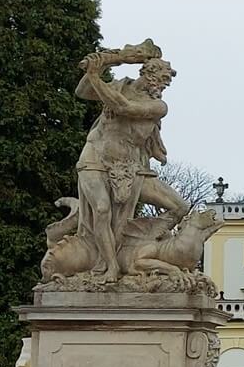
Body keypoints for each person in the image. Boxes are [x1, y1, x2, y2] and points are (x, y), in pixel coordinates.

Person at [73, 40, 189, 279]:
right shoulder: (118, 86)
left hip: (132, 167)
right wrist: (111, 60)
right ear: (148, 74)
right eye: (163, 79)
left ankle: (141, 244)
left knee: (180, 207)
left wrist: (95, 75)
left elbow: (122, 107)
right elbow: (82, 92)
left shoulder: (157, 106)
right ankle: (111, 265)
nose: (164, 86)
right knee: (102, 210)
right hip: (95, 158)